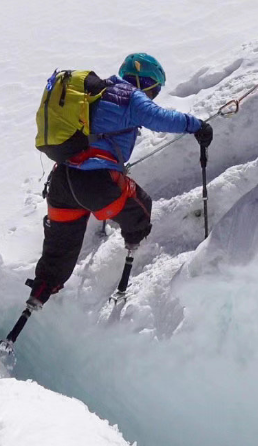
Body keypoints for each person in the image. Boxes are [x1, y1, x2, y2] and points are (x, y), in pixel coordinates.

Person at [25, 53, 213, 309]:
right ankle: (129, 260)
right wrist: (197, 126)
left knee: (59, 250)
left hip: (61, 181)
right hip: (97, 183)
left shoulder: (95, 93)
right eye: (154, 89)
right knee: (141, 209)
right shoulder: (130, 96)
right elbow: (160, 118)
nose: (153, 95)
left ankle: (38, 296)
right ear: (144, 82)